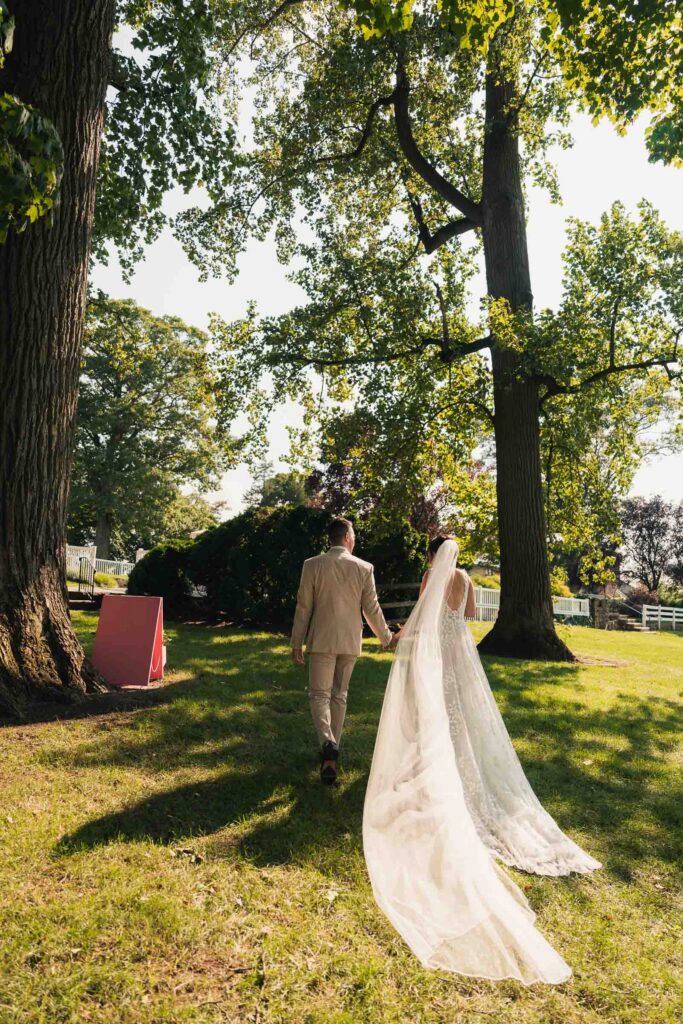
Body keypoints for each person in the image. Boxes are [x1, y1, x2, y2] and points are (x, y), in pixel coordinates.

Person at [363, 535, 601, 985]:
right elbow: (469, 615)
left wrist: (397, 636)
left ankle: (439, 769)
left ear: (433, 554)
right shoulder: (466, 577)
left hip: (437, 650)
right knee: (467, 716)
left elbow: (421, 616)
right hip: (462, 649)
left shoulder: (430, 576)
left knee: (438, 711)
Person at [291, 517, 396, 785]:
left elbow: (304, 606)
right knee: (339, 695)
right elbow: (371, 608)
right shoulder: (364, 567)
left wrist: (296, 641)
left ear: (332, 538)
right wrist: (386, 637)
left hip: (322, 639)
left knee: (319, 694)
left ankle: (328, 743)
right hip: (350, 640)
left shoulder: (312, 565)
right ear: (347, 537)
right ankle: (331, 754)